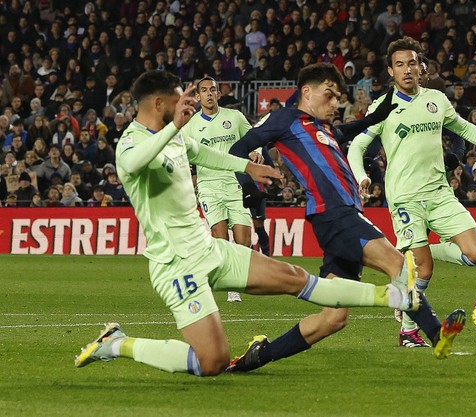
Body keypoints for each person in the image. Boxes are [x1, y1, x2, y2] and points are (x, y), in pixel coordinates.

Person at [74, 70, 417, 377]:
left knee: (294, 277)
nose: (187, 107)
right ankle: (117, 344)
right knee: (212, 362)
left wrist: (247, 167)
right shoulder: (131, 142)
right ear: (160, 102)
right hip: (175, 265)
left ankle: (394, 297)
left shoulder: (175, 133)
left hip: (208, 248)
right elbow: (133, 164)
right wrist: (175, 127)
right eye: (180, 101)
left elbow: (202, 154)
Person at [228, 62, 465, 370]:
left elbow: (343, 132)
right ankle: (436, 333)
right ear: (307, 92)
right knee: (398, 264)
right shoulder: (286, 119)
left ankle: (258, 356)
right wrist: (248, 187)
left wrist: (376, 118)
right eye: (329, 95)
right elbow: (238, 149)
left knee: (333, 318)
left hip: (342, 215)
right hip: (334, 214)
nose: (335, 102)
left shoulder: (324, 129)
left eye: (338, 97)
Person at [348, 37, 476, 348]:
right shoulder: (383, 106)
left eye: (412, 63)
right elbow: (357, 146)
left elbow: (463, 127)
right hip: (405, 197)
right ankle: (408, 331)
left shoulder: (437, 100)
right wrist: (361, 176)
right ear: (391, 71)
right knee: (422, 268)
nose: (407, 69)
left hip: (440, 193)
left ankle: (411, 256)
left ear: (421, 67)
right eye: (400, 65)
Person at [181, 76, 263, 303]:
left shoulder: (234, 118)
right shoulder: (190, 126)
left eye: (213, 90)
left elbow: (254, 138)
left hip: (236, 184)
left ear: (218, 94)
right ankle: (232, 286)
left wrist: (257, 152)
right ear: (197, 97)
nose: (209, 93)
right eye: (204, 90)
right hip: (209, 186)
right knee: (219, 236)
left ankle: (239, 273)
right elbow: (183, 153)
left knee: (243, 240)